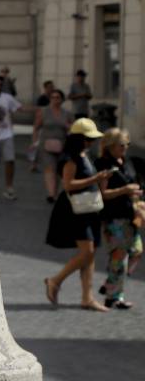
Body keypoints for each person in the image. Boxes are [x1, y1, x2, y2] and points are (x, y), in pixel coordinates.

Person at [44, 120, 117, 312]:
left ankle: (87, 298)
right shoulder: (70, 158)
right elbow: (68, 184)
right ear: (78, 139)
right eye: (87, 139)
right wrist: (96, 178)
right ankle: (55, 280)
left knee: (90, 255)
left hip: (89, 208)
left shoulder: (85, 155)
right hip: (75, 210)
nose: (90, 142)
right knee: (87, 253)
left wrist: (102, 180)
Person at [95, 128, 143, 309]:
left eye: (127, 144)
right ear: (110, 146)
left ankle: (110, 285)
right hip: (114, 217)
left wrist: (137, 195)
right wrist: (124, 190)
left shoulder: (127, 162)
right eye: (121, 145)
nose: (125, 148)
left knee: (136, 251)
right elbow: (103, 193)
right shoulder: (103, 164)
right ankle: (114, 297)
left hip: (131, 215)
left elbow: (134, 183)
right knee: (118, 258)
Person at [32, 89, 73, 203]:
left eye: (58, 97)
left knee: (58, 169)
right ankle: (50, 194)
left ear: (62, 99)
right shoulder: (43, 111)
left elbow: (72, 129)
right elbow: (36, 128)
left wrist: (68, 127)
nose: (55, 100)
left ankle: (55, 192)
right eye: (53, 97)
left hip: (62, 144)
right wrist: (34, 142)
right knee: (50, 168)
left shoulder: (67, 113)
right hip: (46, 144)